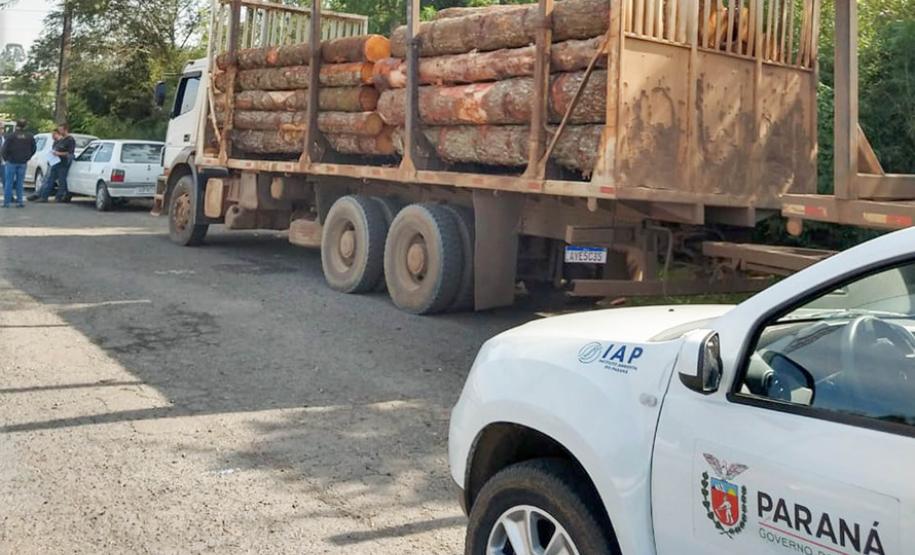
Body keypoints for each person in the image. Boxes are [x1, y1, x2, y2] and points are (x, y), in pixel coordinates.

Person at [31, 123, 75, 203]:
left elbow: (70, 153)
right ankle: (44, 196)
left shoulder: (70, 140)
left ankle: (60, 196)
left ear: (65, 130)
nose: (60, 131)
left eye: (61, 130)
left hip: (63, 163)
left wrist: (59, 153)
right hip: (54, 162)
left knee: (62, 181)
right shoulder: (61, 140)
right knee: (49, 180)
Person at [1, 120, 36, 208]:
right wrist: (28, 157)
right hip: (23, 162)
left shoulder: (11, 136)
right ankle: (20, 202)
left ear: (17, 125)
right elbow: (34, 148)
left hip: (11, 161)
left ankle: (6, 203)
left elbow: (4, 149)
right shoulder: (29, 136)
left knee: (9, 182)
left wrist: (6, 159)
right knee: (20, 183)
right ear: (25, 126)